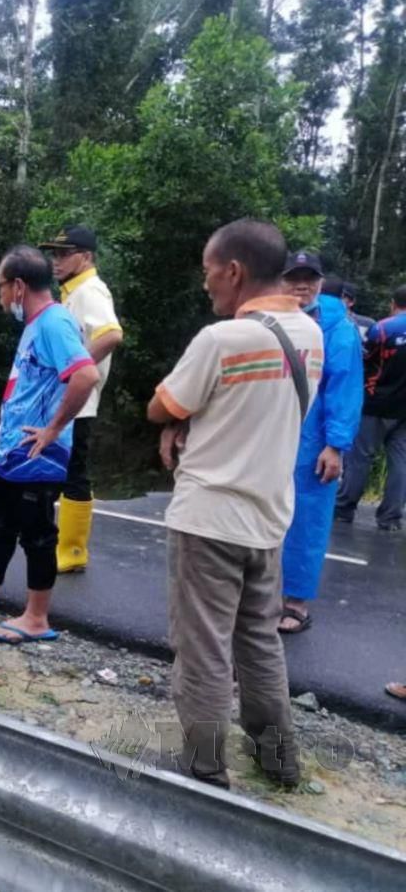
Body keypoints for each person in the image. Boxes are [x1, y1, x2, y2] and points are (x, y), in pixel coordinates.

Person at [147, 219, 322, 789]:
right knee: (260, 644)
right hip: (269, 520)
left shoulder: (221, 340)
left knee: (202, 651)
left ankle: (205, 769)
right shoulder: (311, 335)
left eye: (207, 272)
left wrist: (177, 421)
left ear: (234, 271)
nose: (206, 285)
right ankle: (278, 762)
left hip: (208, 521)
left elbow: (162, 404)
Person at [0, 246, 99, 644]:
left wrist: (52, 429)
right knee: (1, 521)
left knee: (37, 533)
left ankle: (37, 617)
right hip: (15, 453)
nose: (1, 296)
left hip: (38, 456)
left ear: (19, 286)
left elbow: (85, 375)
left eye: (1, 287)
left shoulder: (54, 323)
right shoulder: (36, 323)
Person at [276, 253, 363, 634]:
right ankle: (263, 594)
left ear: (320, 281)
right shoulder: (271, 317)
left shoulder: (336, 328)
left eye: (309, 278)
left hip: (312, 439)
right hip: (271, 433)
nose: (302, 285)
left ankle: (295, 602)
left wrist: (336, 445)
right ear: (280, 280)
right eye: (294, 277)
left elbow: (345, 389)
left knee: (306, 519)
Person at [38, 225, 123, 573]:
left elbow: (111, 334)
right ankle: (63, 544)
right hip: (70, 398)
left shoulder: (90, 290)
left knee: (74, 471)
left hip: (80, 400)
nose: (56, 261)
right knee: (64, 469)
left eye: (64, 253)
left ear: (85, 256)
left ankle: (72, 550)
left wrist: (76, 368)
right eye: (54, 254)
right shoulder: (72, 291)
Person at [335, 285, 406, 531]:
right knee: (401, 462)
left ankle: (344, 509)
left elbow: (364, 360)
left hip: (375, 404)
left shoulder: (384, 328)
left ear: (393, 303)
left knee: (360, 458)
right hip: (403, 410)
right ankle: (391, 517)